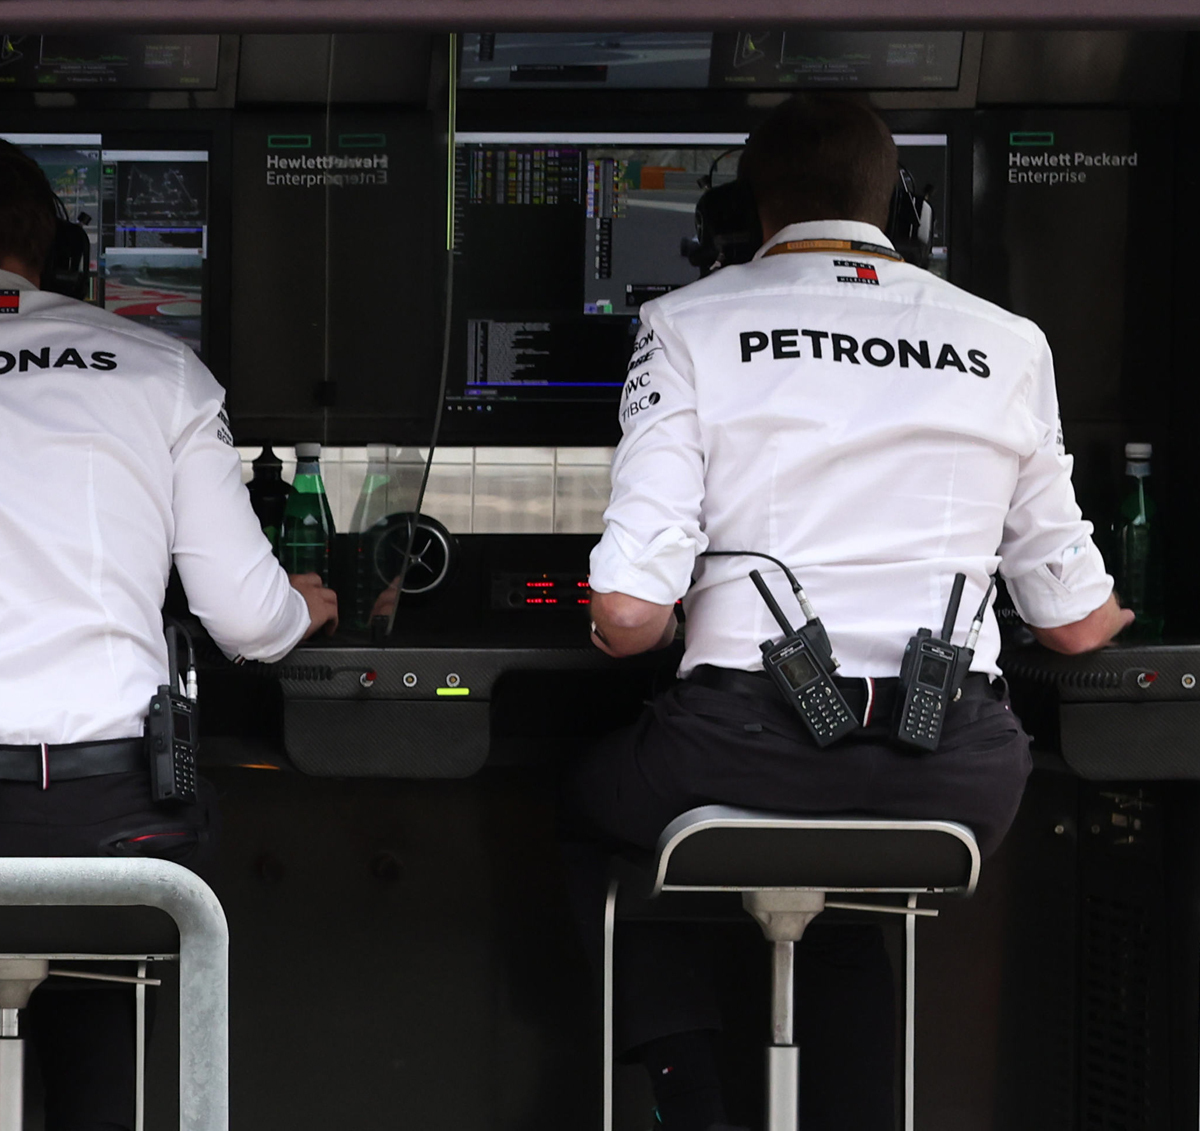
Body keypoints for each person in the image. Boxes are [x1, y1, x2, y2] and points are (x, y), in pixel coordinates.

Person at [562, 95, 1131, 1131]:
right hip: (955, 772)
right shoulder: (1009, 343)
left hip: (739, 753)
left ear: (746, 213)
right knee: (839, 886)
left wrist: (631, 628)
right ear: (902, 210)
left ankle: (693, 1104)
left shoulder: (687, 324)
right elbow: (1074, 622)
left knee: (587, 802)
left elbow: (632, 612)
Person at [0, 138, 337, 1131]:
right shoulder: (161, 372)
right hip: (108, 817)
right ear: (66, 258)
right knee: (99, 974)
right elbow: (248, 622)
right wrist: (301, 604)